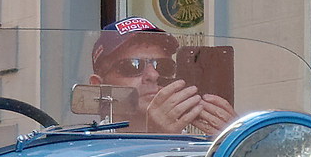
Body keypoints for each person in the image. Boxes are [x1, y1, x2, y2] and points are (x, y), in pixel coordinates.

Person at [87, 19, 234, 137]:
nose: (154, 75)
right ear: (98, 87)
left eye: (163, 66)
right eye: (132, 65)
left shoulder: (197, 144)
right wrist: (157, 138)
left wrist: (234, 143)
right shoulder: (87, 147)